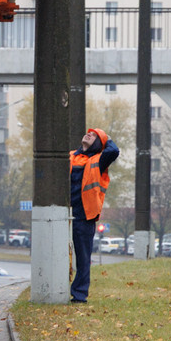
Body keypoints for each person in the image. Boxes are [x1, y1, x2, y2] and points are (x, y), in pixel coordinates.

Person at [69, 128, 120, 303]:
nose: (89, 134)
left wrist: (106, 138)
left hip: (84, 216)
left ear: (99, 144)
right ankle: (58, 288)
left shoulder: (99, 160)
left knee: (83, 259)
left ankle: (79, 295)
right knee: (60, 255)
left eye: (95, 135)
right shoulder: (69, 156)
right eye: (88, 132)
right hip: (64, 215)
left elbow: (114, 150)